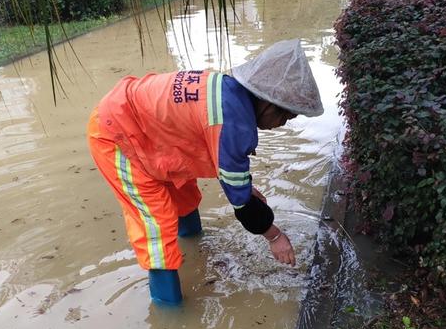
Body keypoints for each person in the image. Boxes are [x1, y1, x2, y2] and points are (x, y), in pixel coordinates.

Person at [87, 39, 323, 306]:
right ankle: (169, 311)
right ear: (268, 103)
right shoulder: (234, 124)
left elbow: (224, 160)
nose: (280, 125)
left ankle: (194, 245)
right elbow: (245, 208)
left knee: (185, 196)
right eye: (285, 117)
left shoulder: (228, 92)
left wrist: (243, 187)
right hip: (116, 133)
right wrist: (275, 236)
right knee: (156, 228)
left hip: (150, 131)